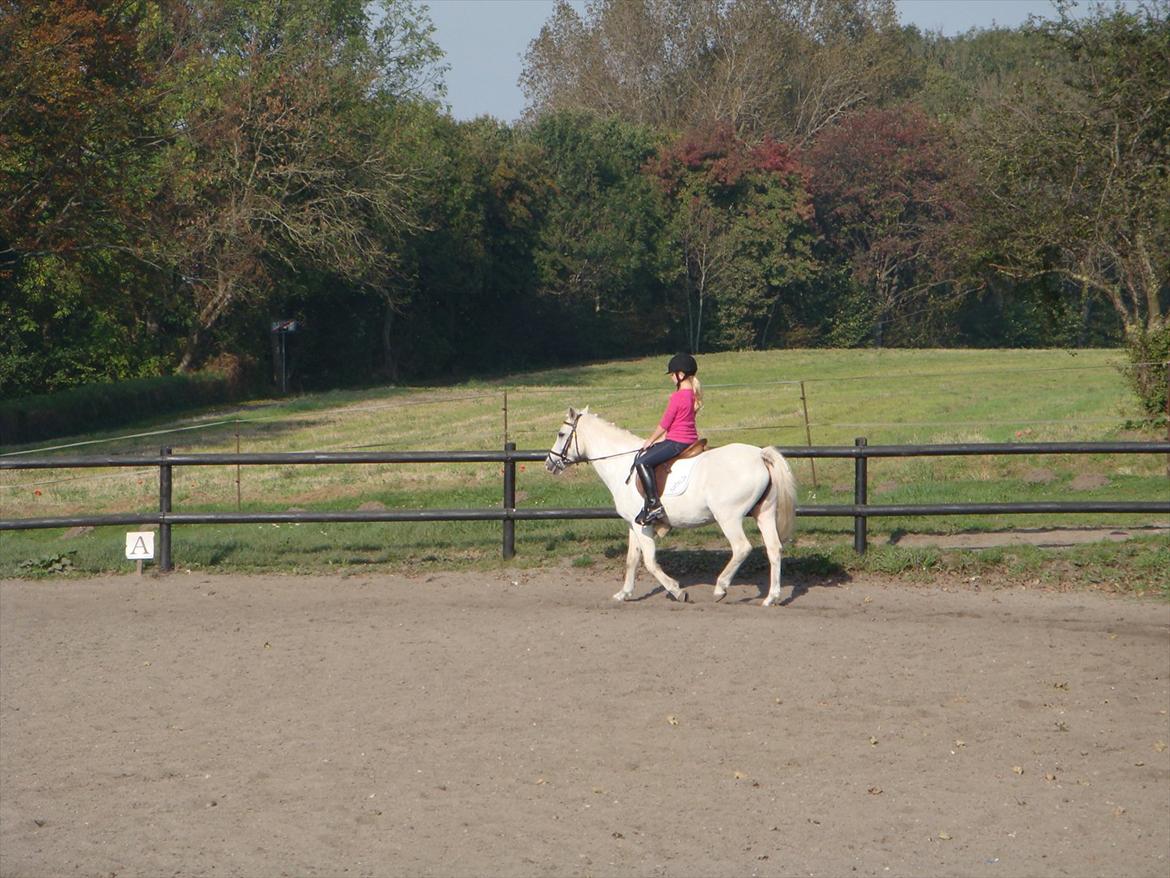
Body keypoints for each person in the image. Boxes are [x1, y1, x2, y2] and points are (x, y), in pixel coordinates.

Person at [633, 352, 702, 525]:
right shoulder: (692, 394)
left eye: (672, 374)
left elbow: (665, 423)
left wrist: (650, 440)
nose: (671, 378)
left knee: (642, 462)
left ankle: (653, 505)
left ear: (680, 375)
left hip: (677, 442)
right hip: (689, 439)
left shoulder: (678, 396)